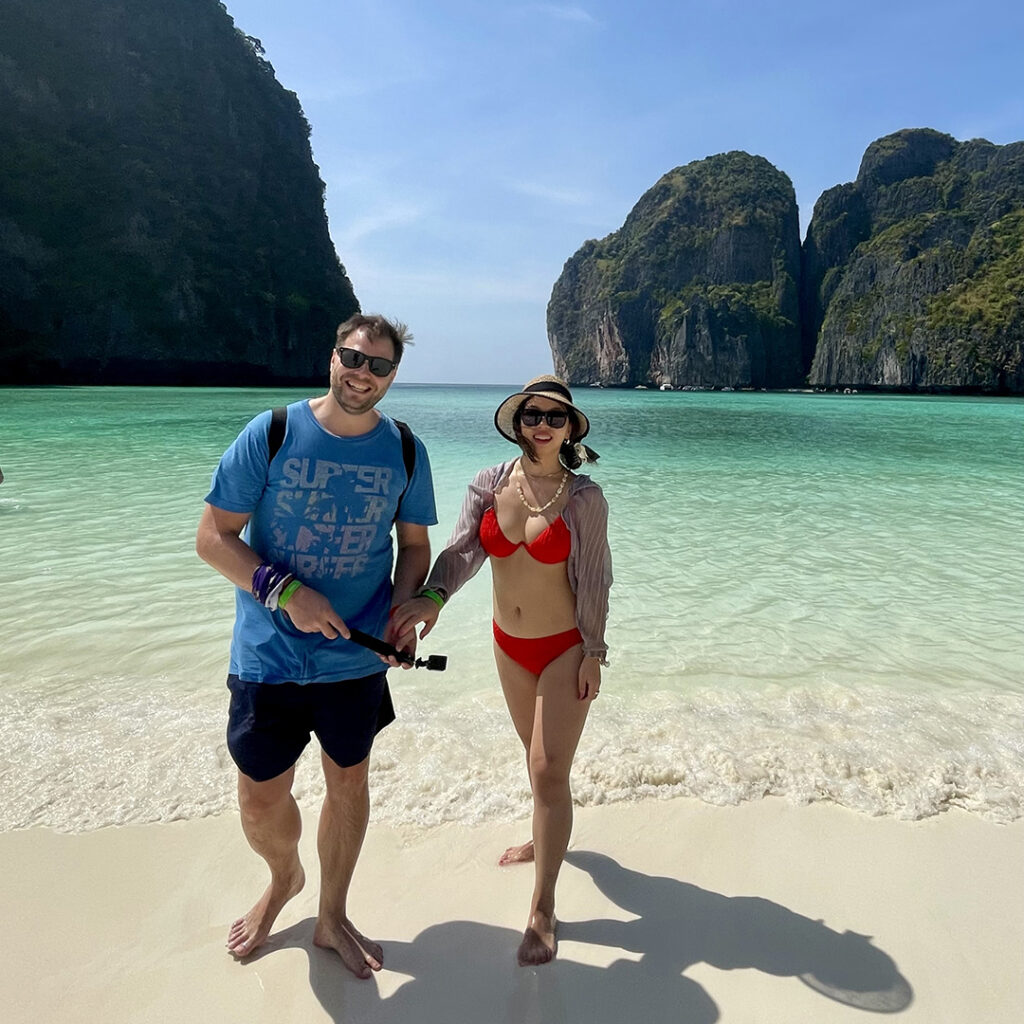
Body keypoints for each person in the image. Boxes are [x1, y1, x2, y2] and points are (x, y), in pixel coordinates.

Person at [195, 313, 437, 977]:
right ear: (332, 356)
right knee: (259, 800)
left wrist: (402, 615)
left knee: (348, 783)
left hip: (353, 659)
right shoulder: (271, 432)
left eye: (379, 366)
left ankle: (332, 913)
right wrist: (285, 591)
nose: (363, 374)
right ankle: (284, 880)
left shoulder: (406, 450)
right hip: (267, 657)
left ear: (392, 376)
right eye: (352, 358)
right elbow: (213, 537)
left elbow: (414, 548)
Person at [390, 375, 612, 967]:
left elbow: (595, 579)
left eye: (555, 417)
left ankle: (543, 907)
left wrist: (595, 650)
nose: (542, 424)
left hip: (565, 646)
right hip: (507, 644)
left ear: (570, 428)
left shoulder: (584, 498)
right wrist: (431, 598)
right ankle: (545, 838)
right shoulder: (489, 484)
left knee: (546, 768)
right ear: (518, 422)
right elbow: (463, 550)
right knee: (534, 757)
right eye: (532, 414)